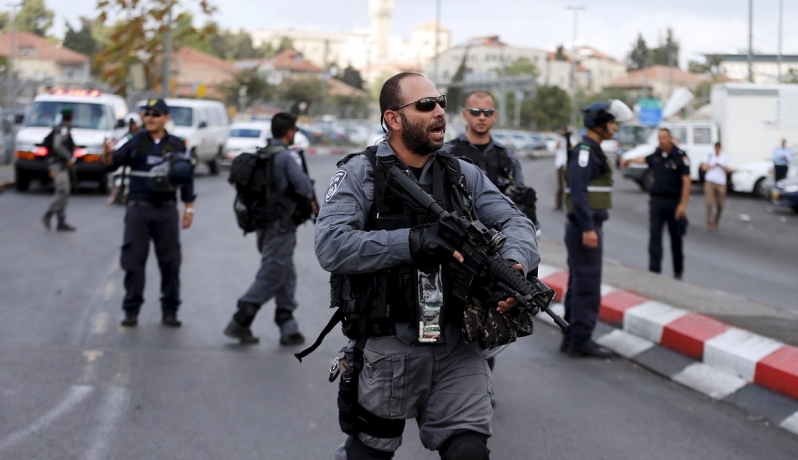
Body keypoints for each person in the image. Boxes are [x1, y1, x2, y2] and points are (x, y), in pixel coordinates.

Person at [315, 72, 538, 460]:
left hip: (458, 344)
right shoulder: (361, 173)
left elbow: (516, 221)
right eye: (425, 105)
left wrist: (514, 263)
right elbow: (330, 245)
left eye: (441, 103)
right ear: (393, 119)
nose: (438, 112)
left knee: (469, 451)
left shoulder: (462, 174)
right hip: (390, 343)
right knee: (369, 451)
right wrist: (411, 243)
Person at [445, 89, 533, 391]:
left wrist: (523, 244)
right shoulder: (449, 153)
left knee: (494, 316)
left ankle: (481, 385)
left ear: (495, 116)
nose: (481, 117)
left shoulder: (506, 156)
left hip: (499, 249)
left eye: (487, 112)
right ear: (465, 115)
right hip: (459, 246)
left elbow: (519, 207)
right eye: (475, 112)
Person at [223, 113, 317, 346]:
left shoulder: (264, 154)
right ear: (289, 132)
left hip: (263, 224)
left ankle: (287, 325)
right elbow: (304, 187)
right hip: (281, 226)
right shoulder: (287, 156)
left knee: (285, 271)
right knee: (273, 273)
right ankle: (241, 319)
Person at [101, 99, 195, 328]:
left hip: (166, 211)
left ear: (166, 118)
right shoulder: (135, 142)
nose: (150, 118)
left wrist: (189, 208)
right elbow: (110, 165)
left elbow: (186, 177)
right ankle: (131, 310)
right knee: (133, 262)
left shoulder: (176, 145)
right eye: (147, 114)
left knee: (171, 264)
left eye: (155, 114)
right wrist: (106, 154)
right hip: (139, 210)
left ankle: (170, 310)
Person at [561, 101, 631, 358]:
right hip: (585, 227)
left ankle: (571, 338)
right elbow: (578, 192)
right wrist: (588, 227)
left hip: (584, 225)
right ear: (599, 125)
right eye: (612, 123)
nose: (615, 128)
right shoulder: (585, 151)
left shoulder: (590, 150)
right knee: (587, 285)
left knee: (578, 283)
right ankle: (581, 340)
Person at [622, 128, 691, 280]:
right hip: (657, 202)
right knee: (654, 237)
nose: (662, 141)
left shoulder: (680, 156)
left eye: (664, 138)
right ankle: (654, 271)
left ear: (671, 138)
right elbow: (644, 160)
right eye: (660, 138)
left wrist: (683, 205)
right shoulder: (657, 155)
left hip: (674, 202)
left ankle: (678, 272)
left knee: (676, 239)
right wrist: (629, 160)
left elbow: (686, 182)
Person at [42, 108, 77, 232]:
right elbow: (57, 145)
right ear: (71, 117)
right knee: (63, 190)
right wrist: (68, 158)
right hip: (58, 164)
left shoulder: (63, 127)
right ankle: (49, 214)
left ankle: (61, 221)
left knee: (64, 191)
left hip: (61, 164)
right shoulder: (63, 129)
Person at [108, 115, 141, 205]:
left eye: (134, 124)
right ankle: (113, 195)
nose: (133, 126)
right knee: (114, 174)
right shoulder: (121, 133)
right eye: (131, 124)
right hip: (121, 158)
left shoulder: (140, 135)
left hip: (131, 161)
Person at [701, 142, 731, 230]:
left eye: (718, 148)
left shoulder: (724, 157)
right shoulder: (709, 156)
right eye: (716, 148)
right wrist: (712, 166)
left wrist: (721, 166)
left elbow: (729, 170)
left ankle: (716, 220)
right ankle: (709, 222)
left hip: (721, 183)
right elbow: (703, 168)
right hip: (710, 181)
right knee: (709, 203)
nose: (717, 150)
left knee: (720, 204)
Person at [554, 125, 576, 211]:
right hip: (560, 164)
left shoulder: (571, 138)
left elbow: (573, 147)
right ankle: (558, 204)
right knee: (560, 185)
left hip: (568, 164)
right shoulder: (559, 138)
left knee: (570, 185)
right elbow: (556, 146)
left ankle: (569, 204)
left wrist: (568, 138)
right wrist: (561, 138)